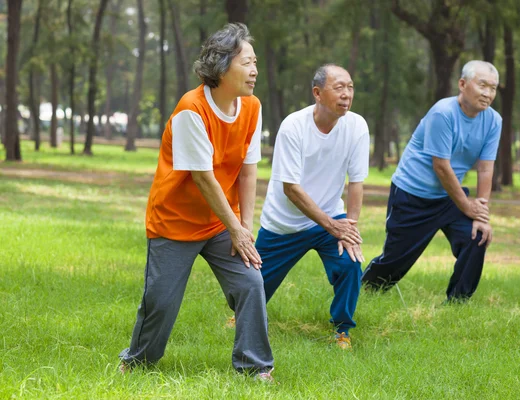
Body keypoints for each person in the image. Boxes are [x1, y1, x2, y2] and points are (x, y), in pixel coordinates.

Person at [119, 23, 274, 381]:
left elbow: (249, 171)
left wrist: (244, 228)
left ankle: (255, 368)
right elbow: (203, 178)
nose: (254, 70)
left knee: (251, 283)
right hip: (175, 222)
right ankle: (137, 361)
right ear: (222, 67)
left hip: (221, 222)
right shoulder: (192, 109)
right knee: (161, 302)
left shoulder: (251, 107)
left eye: (256, 63)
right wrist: (236, 229)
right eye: (247, 62)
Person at [362, 60, 502, 303]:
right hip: (412, 195)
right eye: (483, 86)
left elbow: (486, 168)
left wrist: (481, 215)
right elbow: (441, 166)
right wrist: (468, 206)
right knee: (393, 263)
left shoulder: (493, 121)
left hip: (450, 197)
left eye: (493, 88)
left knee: (476, 236)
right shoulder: (443, 113)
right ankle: (362, 292)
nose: (488, 94)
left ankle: (458, 302)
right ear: (462, 84)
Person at [255, 64, 370, 349]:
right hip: (284, 222)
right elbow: (290, 188)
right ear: (317, 93)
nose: (346, 94)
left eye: (350, 87)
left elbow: (356, 182)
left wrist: (350, 229)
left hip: (330, 216)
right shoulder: (294, 126)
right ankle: (243, 315)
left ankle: (343, 329)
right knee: (248, 287)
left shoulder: (357, 126)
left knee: (351, 262)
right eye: (339, 87)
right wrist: (333, 226)